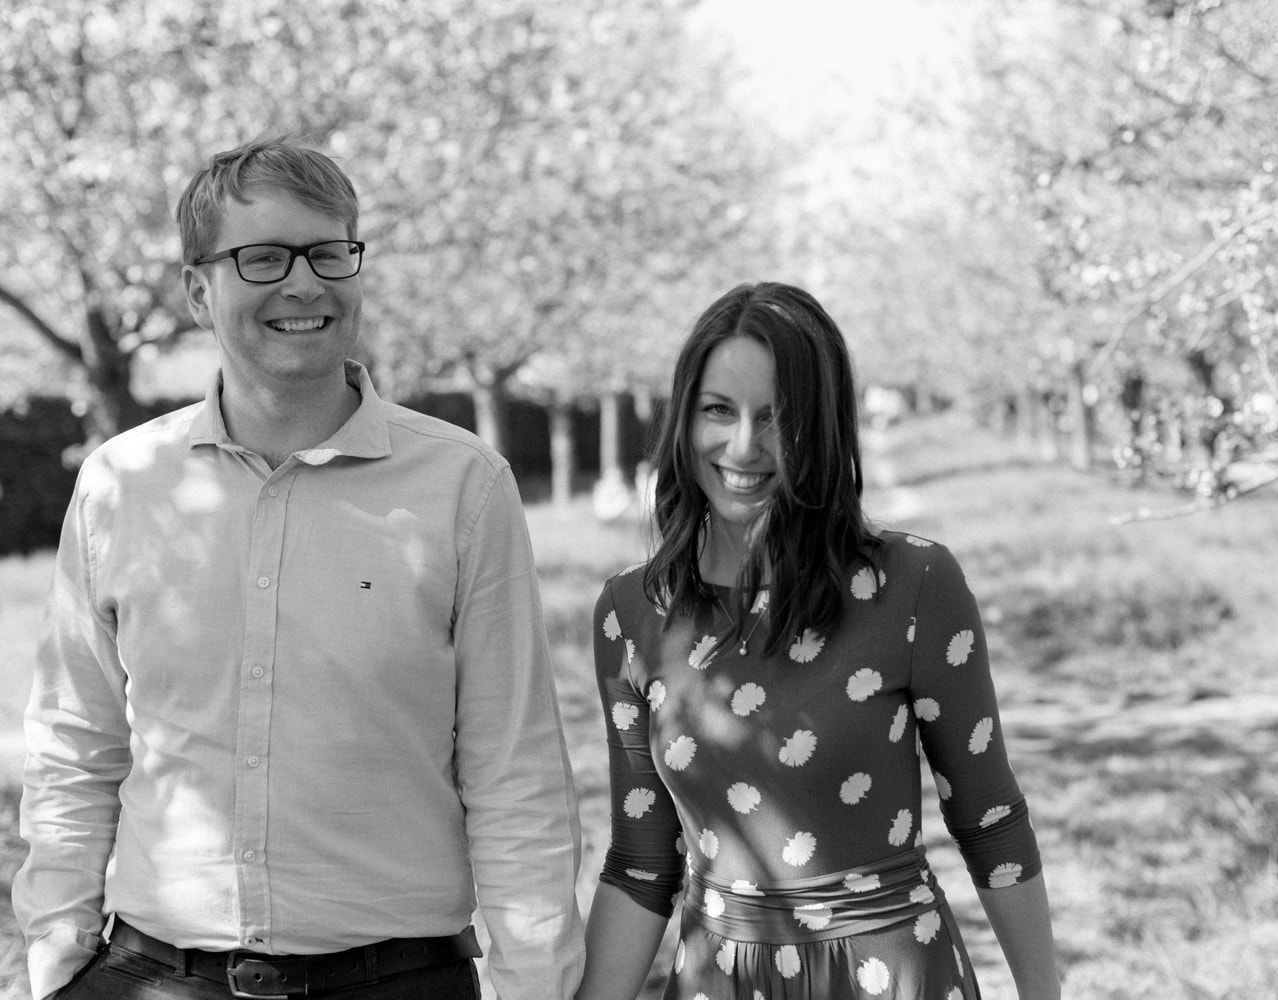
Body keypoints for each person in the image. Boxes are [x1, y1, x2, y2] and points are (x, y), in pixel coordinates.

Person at [12, 137, 585, 1000]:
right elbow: (75, 744)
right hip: (151, 976)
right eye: (263, 257)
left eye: (328, 252)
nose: (305, 283)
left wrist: (535, 985)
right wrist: (57, 958)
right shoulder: (120, 486)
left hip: (398, 982)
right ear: (198, 290)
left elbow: (516, 771)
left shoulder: (465, 486)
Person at [576, 282, 1061, 1000]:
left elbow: (990, 821)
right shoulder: (630, 612)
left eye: (777, 418)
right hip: (719, 982)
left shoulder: (916, 585)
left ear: (823, 427)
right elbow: (643, 862)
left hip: (894, 976)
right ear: (684, 419)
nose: (743, 446)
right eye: (719, 410)